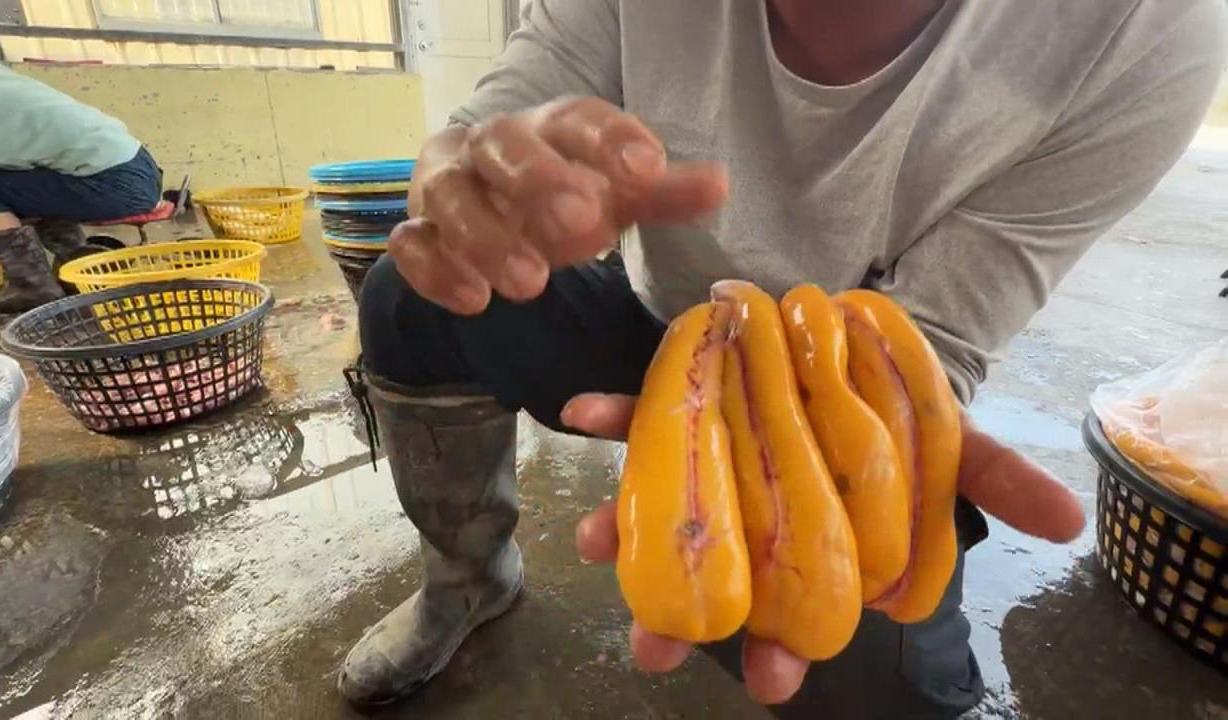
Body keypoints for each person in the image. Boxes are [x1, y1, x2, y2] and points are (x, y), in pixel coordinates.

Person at [343, 0, 1227, 716]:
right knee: (414, 288)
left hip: (855, 377)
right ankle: (468, 577)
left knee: (891, 685)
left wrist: (784, 424)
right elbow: (491, 128)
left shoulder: (1148, 29)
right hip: (650, 312)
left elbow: (935, 340)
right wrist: (474, 184)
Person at [0, 62, 162, 313]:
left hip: (113, 184)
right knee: (11, 176)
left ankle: (33, 287)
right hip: (138, 167)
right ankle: (74, 261)